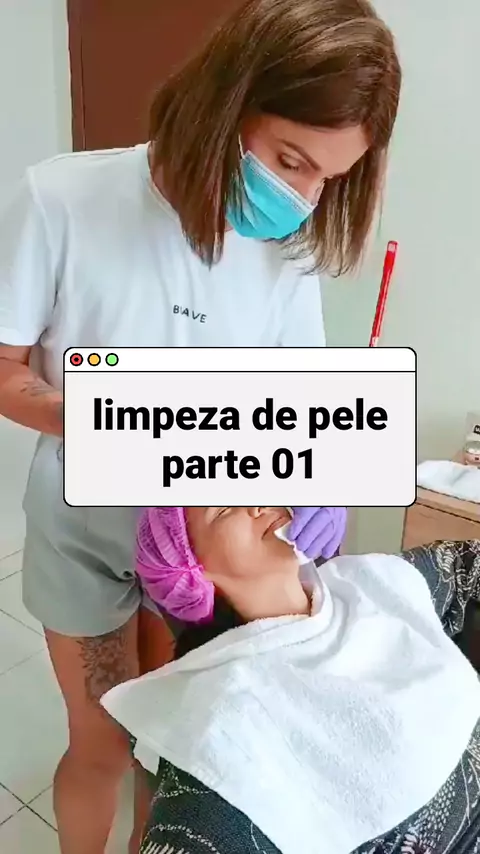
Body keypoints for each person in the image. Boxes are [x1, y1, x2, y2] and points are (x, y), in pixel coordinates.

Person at [0, 0, 400, 851]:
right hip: (84, 527)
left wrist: (316, 479)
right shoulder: (63, 198)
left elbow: (295, 400)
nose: (302, 198)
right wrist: (113, 418)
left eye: (328, 178)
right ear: (227, 99)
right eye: (290, 160)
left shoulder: (287, 249)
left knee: (169, 754)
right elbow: (4, 368)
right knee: (102, 744)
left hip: (200, 548)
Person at [103, 508, 480, 854]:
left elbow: (466, 565)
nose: (257, 502)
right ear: (190, 572)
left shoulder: (367, 582)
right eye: (224, 508)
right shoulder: (228, 721)